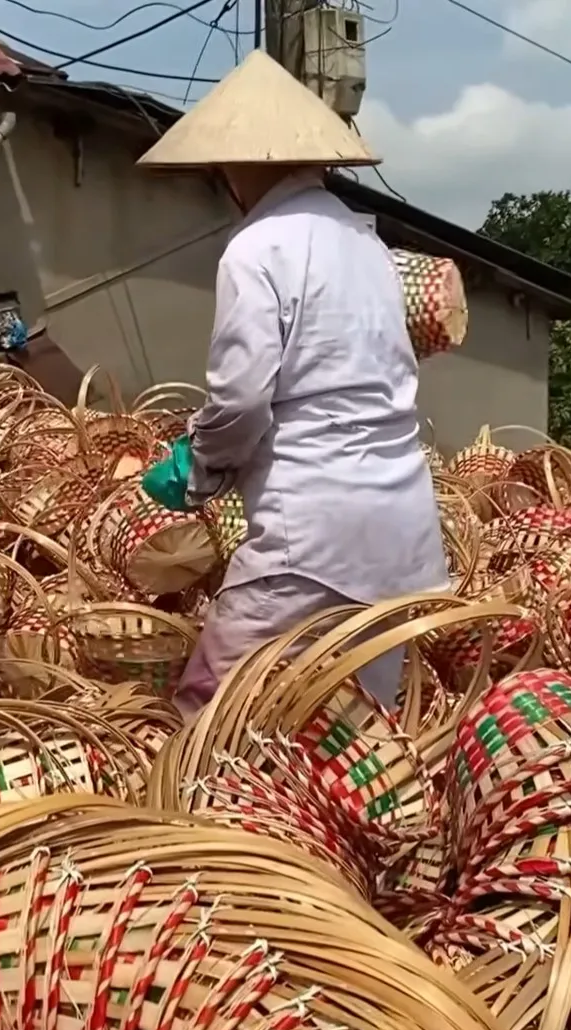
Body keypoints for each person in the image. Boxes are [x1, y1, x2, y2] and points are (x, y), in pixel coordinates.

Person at [136, 50, 448, 720]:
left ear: (240, 163)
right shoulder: (367, 246)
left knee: (210, 711)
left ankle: (202, 822)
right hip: (400, 529)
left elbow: (242, 398)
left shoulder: (258, 247)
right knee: (355, 729)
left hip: (311, 530)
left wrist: (199, 467)